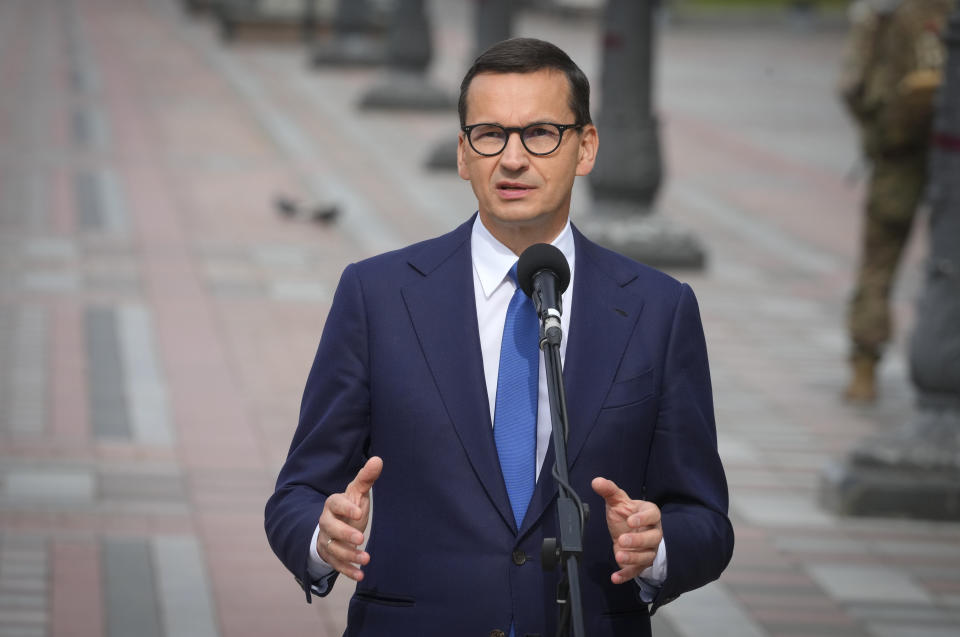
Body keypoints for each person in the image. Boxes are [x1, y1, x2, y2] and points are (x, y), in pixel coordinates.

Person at [265, 37, 733, 636]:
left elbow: (706, 521)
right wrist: (318, 535)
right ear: (464, 154)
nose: (512, 159)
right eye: (489, 135)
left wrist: (658, 546)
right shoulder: (377, 296)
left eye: (541, 133)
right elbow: (298, 491)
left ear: (585, 147)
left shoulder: (658, 309)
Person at [838, 0, 952, 402]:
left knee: (879, 260)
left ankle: (864, 365)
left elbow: (851, 83)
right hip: (942, 152)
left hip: (898, 150)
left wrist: (875, 128)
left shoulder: (885, 9)